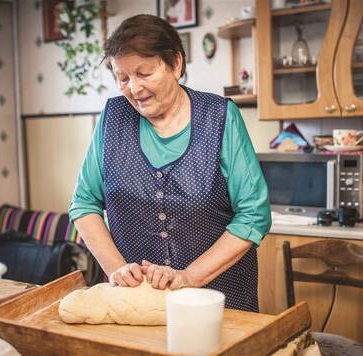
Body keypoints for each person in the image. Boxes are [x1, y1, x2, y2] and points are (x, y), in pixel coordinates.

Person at [69, 14, 271, 312]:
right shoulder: (112, 117)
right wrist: (116, 268)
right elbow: (84, 204)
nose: (134, 89)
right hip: (137, 303)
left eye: (144, 73)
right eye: (123, 78)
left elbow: (253, 215)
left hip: (220, 303)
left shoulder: (220, 117)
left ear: (176, 64)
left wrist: (189, 277)